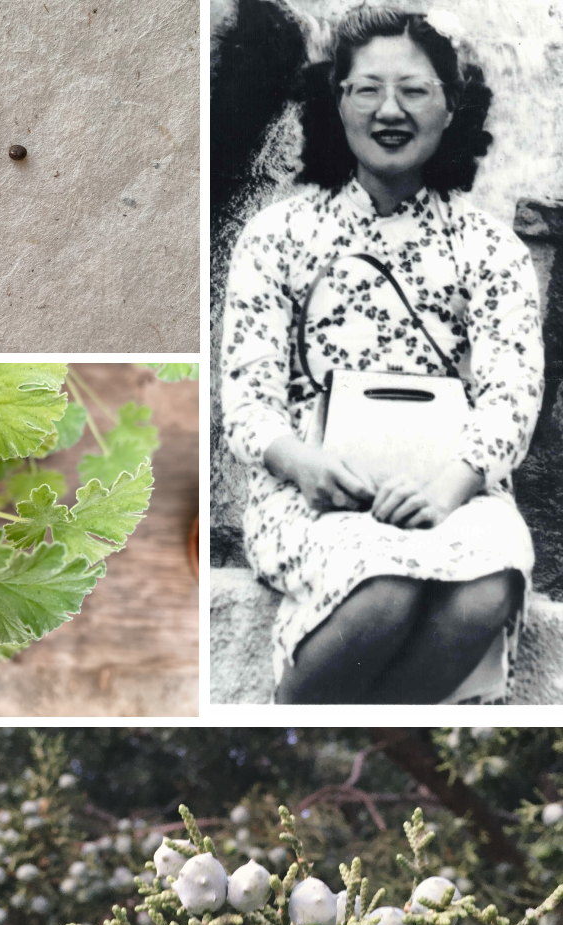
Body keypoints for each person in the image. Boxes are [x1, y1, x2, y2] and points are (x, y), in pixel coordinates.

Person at [220, 6, 544, 703]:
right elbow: (247, 400)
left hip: (459, 486)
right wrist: (304, 466)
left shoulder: (492, 249)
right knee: (385, 590)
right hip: (315, 489)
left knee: (486, 588)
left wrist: (449, 489)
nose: (389, 110)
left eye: (415, 90)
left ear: (452, 106)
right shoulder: (278, 236)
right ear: (337, 100)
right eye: (367, 89)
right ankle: (292, 734)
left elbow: (513, 396)